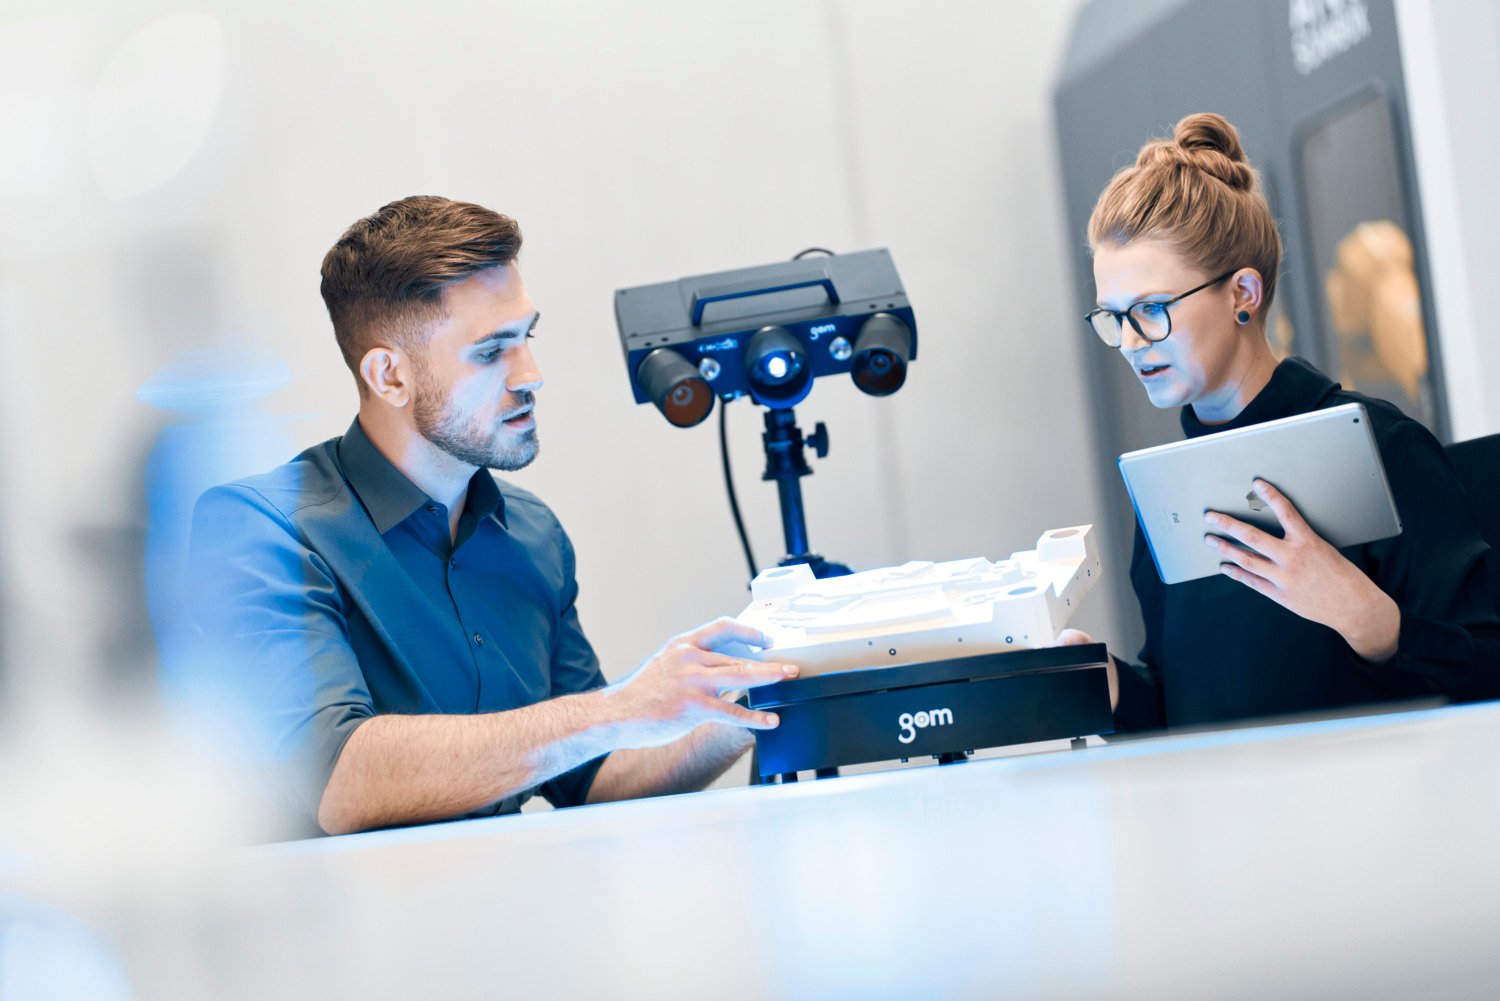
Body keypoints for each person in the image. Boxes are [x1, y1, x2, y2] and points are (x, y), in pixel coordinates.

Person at [186, 196, 795, 836]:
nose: (531, 375)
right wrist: (619, 708)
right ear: (388, 375)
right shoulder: (260, 529)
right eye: (491, 351)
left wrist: (754, 703)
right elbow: (339, 781)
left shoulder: (533, 535)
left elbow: (590, 779)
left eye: (526, 337)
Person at [1058, 113, 1500, 733]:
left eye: (1151, 310)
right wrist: (1101, 682)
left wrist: (1368, 619)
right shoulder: (1162, 491)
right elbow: (1179, 708)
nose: (1130, 343)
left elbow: (1487, 663)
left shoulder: (1382, 446)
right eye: (1113, 317)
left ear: (1243, 292)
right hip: (1232, 819)